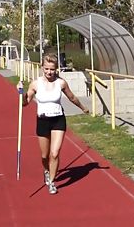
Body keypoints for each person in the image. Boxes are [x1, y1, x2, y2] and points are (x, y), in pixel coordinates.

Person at [18, 53, 89, 194]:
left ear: (56, 69)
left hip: (58, 120)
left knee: (54, 153)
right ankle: (46, 170)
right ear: (42, 68)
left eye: (52, 69)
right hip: (43, 120)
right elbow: (25, 103)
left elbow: (72, 97)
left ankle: (51, 181)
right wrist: (21, 93)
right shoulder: (35, 84)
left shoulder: (61, 83)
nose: (49, 72)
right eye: (46, 69)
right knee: (45, 156)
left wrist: (83, 107)